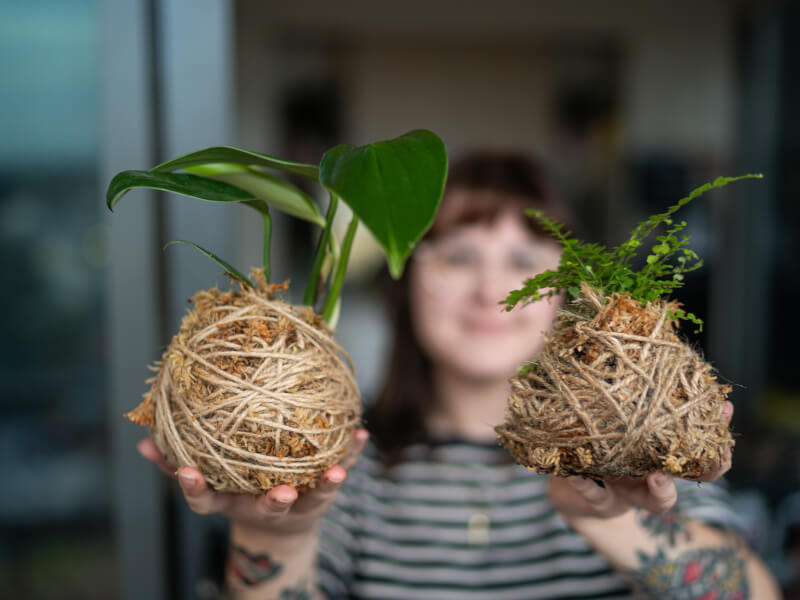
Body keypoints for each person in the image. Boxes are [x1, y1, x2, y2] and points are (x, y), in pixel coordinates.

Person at [138, 152, 781, 599]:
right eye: (458, 256)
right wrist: (270, 530)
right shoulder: (337, 461)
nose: (492, 289)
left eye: (526, 260)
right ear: (405, 277)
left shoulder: (639, 453)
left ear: (568, 293)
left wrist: (603, 514)